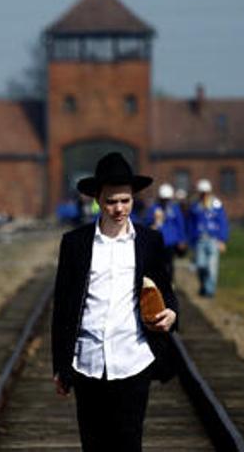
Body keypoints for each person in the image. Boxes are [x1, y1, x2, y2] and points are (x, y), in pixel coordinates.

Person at [51, 152, 179, 452]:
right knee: (94, 443)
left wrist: (171, 312)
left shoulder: (149, 241)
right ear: (97, 199)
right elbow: (64, 308)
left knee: (129, 442)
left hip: (133, 358)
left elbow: (166, 288)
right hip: (88, 361)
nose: (119, 208)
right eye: (111, 201)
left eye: (125, 200)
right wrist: (60, 365)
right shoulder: (75, 244)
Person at [188, 178, 229, 297]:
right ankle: (203, 285)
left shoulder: (216, 205)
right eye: (202, 193)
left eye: (206, 192)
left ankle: (210, 291)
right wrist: (191, 239)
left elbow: (223, 222)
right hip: (200, 240)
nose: (204, 195)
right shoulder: (195, 206)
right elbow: (191, 224)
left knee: (211, 267)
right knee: (200, 265)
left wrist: (222, 240)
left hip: (213, 239)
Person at [143, 182, 187, 283]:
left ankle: (170, 283)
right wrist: (152, 225)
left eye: (167, 199)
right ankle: (158, 282)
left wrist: (182, 240)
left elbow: (180, 224)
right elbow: (147, 222)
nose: (165, 201)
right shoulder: (154, 208)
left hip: (170, 242)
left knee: (169, 263)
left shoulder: (174, 209)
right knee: (157, 263)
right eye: (163, 199)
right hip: (157, 241)